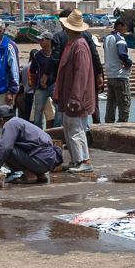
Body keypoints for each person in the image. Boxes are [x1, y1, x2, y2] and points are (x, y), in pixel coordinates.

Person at [53, 9, 95, 172]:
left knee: (76, 129)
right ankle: (77, 159)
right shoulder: (73, 44)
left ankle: (83, 160)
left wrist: (76, 98)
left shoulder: (80, 46)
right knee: (70, 127)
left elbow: (81, 74)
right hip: (71, 94)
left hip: (78, 96)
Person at [0, 105, 62, 184]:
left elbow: (4, 147)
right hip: (49, 163)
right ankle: (40, 175)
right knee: (17, 147)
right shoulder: (21, 122)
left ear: (1, 120)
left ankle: (29, 175)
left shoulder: (10, 124)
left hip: (39, 162)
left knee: (8, 150)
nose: (0, 126)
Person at [103, 18, 133, 123]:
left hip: (110, 74)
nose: (125, 31)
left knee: (111, 103)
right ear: (119, 26)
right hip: (120, 75)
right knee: (124, 104)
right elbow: (122, 54)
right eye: (125, 28)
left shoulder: (107, 38)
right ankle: (122, 124)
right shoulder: (119, 39)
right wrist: (129, 62)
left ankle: (108, 124)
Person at [30, 32, 54, 128]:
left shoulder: (56, 54)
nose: (40, 42)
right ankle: (37, 133)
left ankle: (57, 131)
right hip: (40, 88)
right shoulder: (37, 55)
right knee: (38, 112)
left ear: (49, 41)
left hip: (54, 86)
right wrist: (34, 87)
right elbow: (32, 72)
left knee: (59, 110)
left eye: (42, 40)